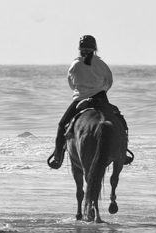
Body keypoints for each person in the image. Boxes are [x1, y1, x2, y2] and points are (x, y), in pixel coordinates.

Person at [46, 35, 133, 169]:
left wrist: (82, 92)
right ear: (95, 49)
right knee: (120, 121)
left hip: (80, 100)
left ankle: (58, 157)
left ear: (80, 49)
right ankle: (123, 152)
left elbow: (71, 83)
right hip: (101, 98)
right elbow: (109, 82)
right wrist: (99, 90)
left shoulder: (75, 64)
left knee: (62, 124)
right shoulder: (101, 64)